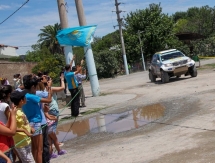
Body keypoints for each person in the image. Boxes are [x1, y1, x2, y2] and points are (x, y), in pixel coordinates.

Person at [22, 74, 52, 163]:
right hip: (36, 122)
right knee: (39, 150)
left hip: (29, 123)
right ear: (32, 86)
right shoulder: (31, 96)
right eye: (35, 87)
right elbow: (49, 100)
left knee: (34, 149)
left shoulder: (23, 94)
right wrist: (49, 88)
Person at [10, 90, 35, 163]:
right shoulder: (14, 113)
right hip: (20, 143)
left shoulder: (20, 110)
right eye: (24, 97)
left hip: (26, 141)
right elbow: (12, 128)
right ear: (21, 101)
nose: (26, 98)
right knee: (29, 161)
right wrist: (24, 131)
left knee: (29, 160)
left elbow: (24, 123)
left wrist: (30, 128)